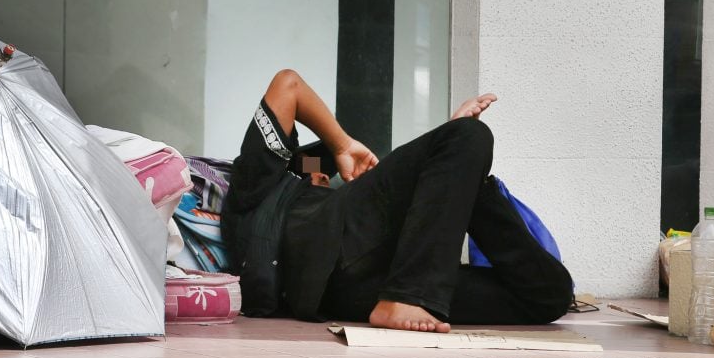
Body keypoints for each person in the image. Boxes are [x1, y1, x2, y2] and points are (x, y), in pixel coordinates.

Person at [221, 69, 574, 333]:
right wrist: (341, 145)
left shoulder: (306, 180)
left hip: (350, 293)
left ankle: (407, 293)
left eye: (325, 176)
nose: (324, 178)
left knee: (549, 295)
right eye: (316, 175)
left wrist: (461, 172)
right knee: (469, 135)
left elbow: (307, 165)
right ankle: (410, 297)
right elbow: (288, 85)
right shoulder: (255, 187)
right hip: (332, 250)